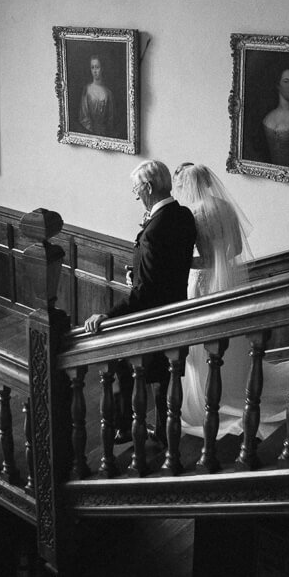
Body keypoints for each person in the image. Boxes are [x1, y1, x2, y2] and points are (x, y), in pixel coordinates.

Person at [172, 162, 289, 439]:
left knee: (201, 336)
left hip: (203, 281)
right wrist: (219, 264)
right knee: (226, 335)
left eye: (181, 187)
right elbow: (235, 249)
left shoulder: (195, 213)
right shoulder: (224, 206)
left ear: (188, 185)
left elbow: (202, 258)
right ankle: (231, 385)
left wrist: (180, 262)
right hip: (226, 281)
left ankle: (206, 394)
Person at [84, 159, 197, 442]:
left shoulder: (153, 232)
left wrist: (107, 315)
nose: (135, 195)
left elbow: (145, 292)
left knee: (122, 362)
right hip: (176, 311)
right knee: (166, 376)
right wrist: (141, 273)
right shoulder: (183, 216)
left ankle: (126, 426)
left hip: (152, 315)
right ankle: (163, 434)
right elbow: (171, 266)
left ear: (148, 187)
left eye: (136, 189)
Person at [78, 54, 116, 137]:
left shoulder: (108, 93)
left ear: (102, 69)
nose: (95, 71)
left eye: (97, 67)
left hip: (105, 134)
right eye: (92, 67)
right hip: (89, 133)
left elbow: (110, 118)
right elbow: (84, 117)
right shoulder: (87, 89)